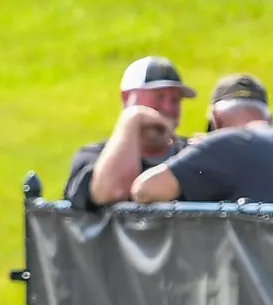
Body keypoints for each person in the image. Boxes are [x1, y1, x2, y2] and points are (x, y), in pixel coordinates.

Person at [64, 56, 195, 209]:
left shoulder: (189, 154)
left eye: (175, 100)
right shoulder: (93, 157)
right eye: (159, 96)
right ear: (126, 97)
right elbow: (113, 192)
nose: (167, 108)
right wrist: (133, 117)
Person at [132, 74, 273, 204]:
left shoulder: (224, 146)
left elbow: (144, 190)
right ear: (269, 119)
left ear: (215, 119)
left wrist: (200, 151)